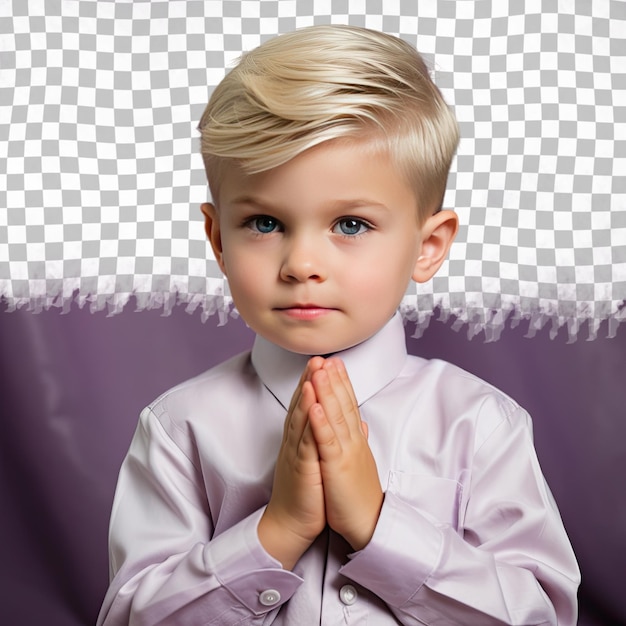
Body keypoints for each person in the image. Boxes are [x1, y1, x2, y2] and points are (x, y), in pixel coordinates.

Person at [97, 24, 579, 625]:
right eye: (265, 223)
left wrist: (378, 525)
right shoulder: (178, 429)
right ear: (218, 240)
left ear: (429, 246)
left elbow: (541, 616)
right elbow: (130, 619)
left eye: (350, 224)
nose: (302, 265)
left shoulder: (481, 426)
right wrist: (277, 530)